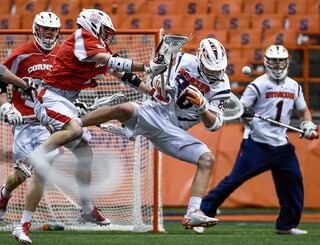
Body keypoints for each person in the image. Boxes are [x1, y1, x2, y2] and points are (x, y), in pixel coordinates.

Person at [12, 8, 166, 240]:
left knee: (85, 154)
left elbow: (124, 75)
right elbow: (105, 60)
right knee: (73, 130)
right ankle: (30, 159)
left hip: (66, 100)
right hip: (49, 96)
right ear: (92, 25)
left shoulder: (97, 45)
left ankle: (84, 210)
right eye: (104, 31)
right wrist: (146, 65)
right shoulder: (82, 37)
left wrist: (151, 91)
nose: (107, 36)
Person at [77, 38, 231, 229]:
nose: (215, 74)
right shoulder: (184, 60)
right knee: (124, 109)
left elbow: (214, 125)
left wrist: (202, 108)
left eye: (219, 70)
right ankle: (75, 123)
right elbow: (163, 85)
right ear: (200, 61)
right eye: (211, 70)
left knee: (207, 159)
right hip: (156, 111)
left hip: (175, 130)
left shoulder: (222, 85)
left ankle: (193, 212)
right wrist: (160, 84)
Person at [0, 12, 108, 245]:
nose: (49, 33)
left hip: (51, 123)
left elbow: (69, 83)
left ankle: (26, 225)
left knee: (78, 154)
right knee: (19, 176)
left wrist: (74, 103)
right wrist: (6, 106)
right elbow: (1, 81)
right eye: (45, 29)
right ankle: (4, 194)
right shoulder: (22, 53)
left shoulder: (64, 53)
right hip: (27, 121)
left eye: (53, 29)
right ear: (36, 29)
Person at [199, 45, 318, 235]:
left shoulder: (294, 86)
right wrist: (245, 113)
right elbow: (240, 108)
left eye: (281, 61)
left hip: (282, 145)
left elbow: (303, 111)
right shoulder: (258, 84)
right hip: (257, 144)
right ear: (266, 61)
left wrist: (307, 125)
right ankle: (203, 213)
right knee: (234, 180)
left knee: (293, 184)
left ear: (286, 62)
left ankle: (286, 225)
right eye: (273, 60)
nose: (277, 65)